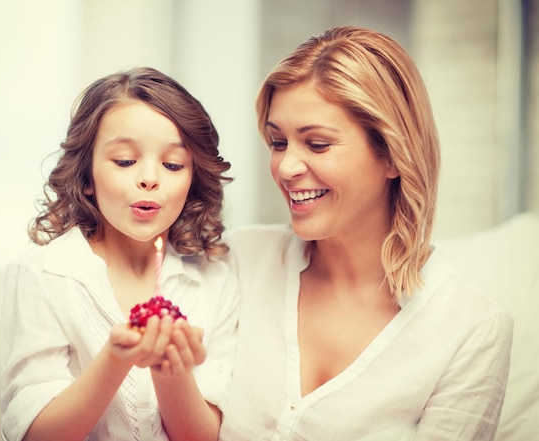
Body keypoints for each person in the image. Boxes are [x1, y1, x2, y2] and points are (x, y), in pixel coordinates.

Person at [219, 26, 513, 441]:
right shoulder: (239, 261)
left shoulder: (471, 329)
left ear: (394, 155)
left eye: (317, 144)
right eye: (277, 141)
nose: (285, 168)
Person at [0, 67, 239, 441]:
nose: (149, 178)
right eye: (125, 161)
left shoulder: (215, 281)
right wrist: (116, 358)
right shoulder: (43, 275)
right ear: (87, 177)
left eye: (173, 165)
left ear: (192, 180)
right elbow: (35, 435)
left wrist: (169, 369)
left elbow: (203, 436)